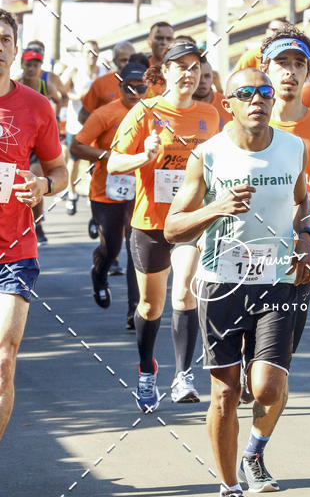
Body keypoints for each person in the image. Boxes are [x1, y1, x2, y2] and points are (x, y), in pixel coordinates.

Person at [164, 66, 310, 497]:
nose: (258, 100)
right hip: (222, 282)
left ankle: (254, 450)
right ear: (227, 101)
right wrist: (215, 207)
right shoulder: (207, 155)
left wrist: (307, 236)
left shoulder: (294, 147)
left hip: (277, 281)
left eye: (264, 92)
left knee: (267, 387)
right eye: (245, 93)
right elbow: (172, 227)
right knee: (226, 393)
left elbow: (302, 199)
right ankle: (230, 491)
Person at [233, 25, 310, 490]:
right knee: (244, 378)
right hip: (235, 262)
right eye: (281, 63)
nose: (290, 72)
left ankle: (255, 452)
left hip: (294, 264)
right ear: (266, 67)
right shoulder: (240, 124)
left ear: (308, 71)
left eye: (299, 63)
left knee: (273, 378)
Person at [107, 42, 220, 407]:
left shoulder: (212, 115)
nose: (189, 74)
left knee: (184, 291)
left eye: (195, 67)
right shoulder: (145, 112)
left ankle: (183, 376)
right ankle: (146, 371)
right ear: (165, 71)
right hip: (151, 223)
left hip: (189, 220)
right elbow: (113, 164)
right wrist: (146, 155)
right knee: (150, 306)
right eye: (181, 67)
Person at [0, 9, 67, 497]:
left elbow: (61, 172)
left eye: (5, 38)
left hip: (15, 248)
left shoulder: (36, 106)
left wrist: (44, 184)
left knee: (4, 358)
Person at [70, 61, 147, 327]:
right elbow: (76, 147)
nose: (135, 93)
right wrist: (107, 156)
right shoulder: (105, 114)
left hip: (141, 191)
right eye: (129, 88)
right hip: (106, 191)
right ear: (120, 86)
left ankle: (134, 310)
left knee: (135, 247)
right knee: (112, 246)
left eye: (141, 88)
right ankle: (99, 273)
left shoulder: (153, 113)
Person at [18, 47, 64, 245]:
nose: (31, 69)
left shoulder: (46, 87)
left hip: (39, 143)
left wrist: (54, 118)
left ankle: (38, 225)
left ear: (40, 67)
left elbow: (60, 99)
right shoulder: (14, 85)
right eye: (28, 65)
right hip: (20, 140)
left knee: (34, 180)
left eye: (35, 65)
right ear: (22, 65)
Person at [61, 40, 100, 215]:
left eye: (94, 52)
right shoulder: (76, 70)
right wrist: (76, 97)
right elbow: (61, 90)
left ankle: (94, 197)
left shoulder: (103, 71)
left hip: (97, 124)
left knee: (96, 162)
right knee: (74, 160)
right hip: (76, 123)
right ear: (82, 54)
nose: (92, 55)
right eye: (88, 52)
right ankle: (72, 193)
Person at [79, 40, 135, 121]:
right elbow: (83, 116)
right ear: (115, 61)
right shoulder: (100, 83)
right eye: (123, 60)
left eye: (131, 60)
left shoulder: (145, 82)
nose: (128, 64)